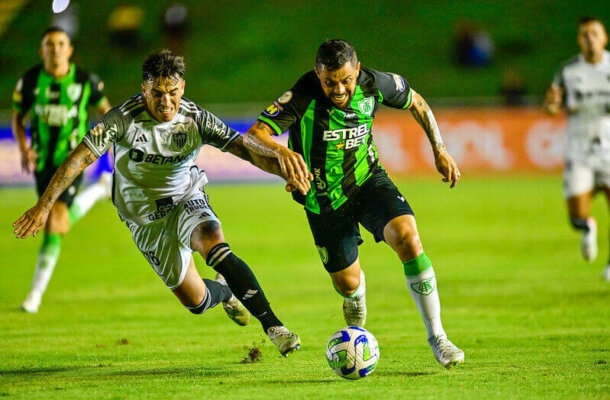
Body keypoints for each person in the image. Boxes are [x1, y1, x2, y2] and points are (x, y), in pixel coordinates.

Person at [13, 49, 305, 357]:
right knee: (196, 301)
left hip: (185, 197)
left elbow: (245, 150)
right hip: (144, 220)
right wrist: (44, 205)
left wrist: (283, 171)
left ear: (183, 88)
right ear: (144, 89)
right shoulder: (123, 119)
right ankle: (226, 291)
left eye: (173, 93)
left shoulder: (196, 119)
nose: (166, 102)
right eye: (157, 93)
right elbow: (80, 158)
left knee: (214, 245)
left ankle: (275, 328)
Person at [243, 39, 465, 368]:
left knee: (408, 237)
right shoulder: (303, 93)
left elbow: (416, 102)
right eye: (329, 82)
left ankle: (438, 338)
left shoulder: (375, 84)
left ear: (357, 70)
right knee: (347, 283)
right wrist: (282, 151)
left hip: (367, 180)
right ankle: (356, 296)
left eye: (345, 80)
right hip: (322, 199)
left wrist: (440, 148)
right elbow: (254, 135)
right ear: (318, 75)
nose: (338, 89)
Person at [12, 26, 113, 313]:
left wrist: (104, 139)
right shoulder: (30, 81)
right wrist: (23, 148)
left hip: (72, 161)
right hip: (42, 163)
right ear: (41, 50)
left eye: (60, 44)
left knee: (54, 221)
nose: (55, 49)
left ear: (69, 49)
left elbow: (106, 112)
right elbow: (18, 119)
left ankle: (34, 295)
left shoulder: (85, 81)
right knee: (60, 222)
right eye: (49, 44)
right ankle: (99, 191)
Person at [543, 17, 610, 281]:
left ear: (604, 37)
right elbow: (551, 107)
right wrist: (550, 105)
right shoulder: (568, 71)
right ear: (579, 40)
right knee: (576, 215)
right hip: (579, 151)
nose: (589, 39)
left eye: (594, 33)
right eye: (584, 34)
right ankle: (588, 227)